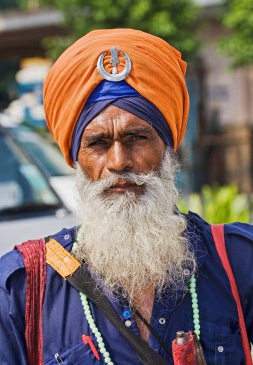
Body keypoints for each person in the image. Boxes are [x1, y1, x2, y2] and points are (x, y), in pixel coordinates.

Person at [0, 28, 253, 365]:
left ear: (167, 147)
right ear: (76, 158)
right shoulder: (22, 288)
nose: (119, 162)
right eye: (98, 143)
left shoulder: (237, 261)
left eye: (137, 137)